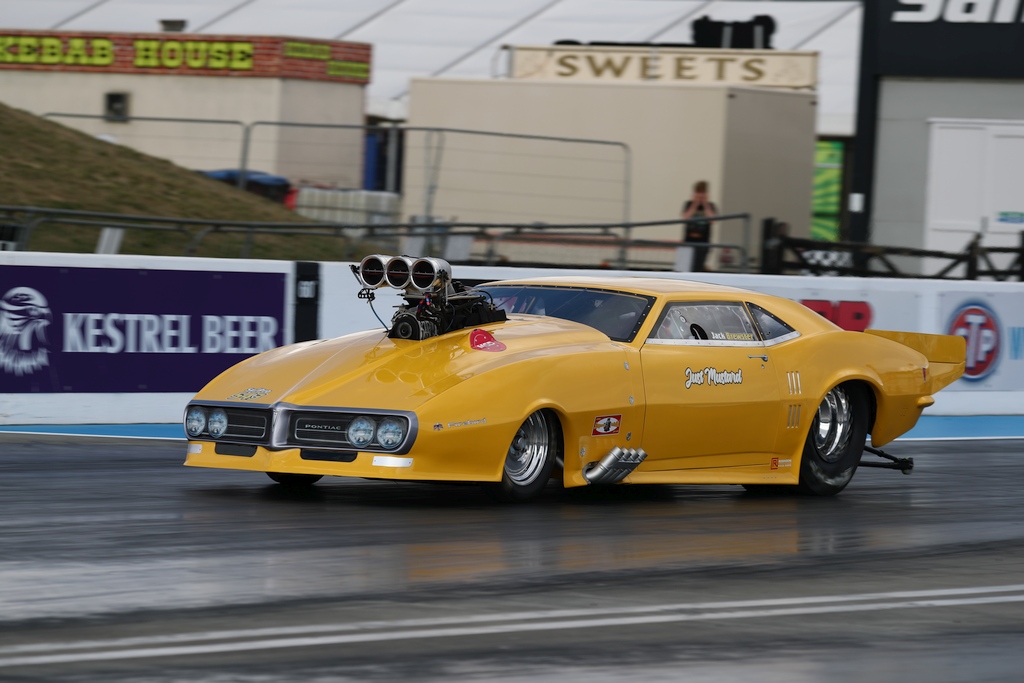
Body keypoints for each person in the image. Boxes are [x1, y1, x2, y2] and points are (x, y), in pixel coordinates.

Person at [681, 180, 718, 272]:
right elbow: (685, 218)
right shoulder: (688, 204)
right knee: (685, 268)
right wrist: (695, 204)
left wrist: (705, 204)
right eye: (698, 192)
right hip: (688, 242)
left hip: (703, 242)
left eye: (703, 192)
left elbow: (712, 220)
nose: (700, 195)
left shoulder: (711, 205)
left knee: (698, 268)